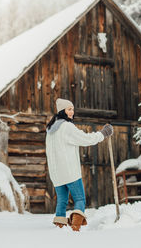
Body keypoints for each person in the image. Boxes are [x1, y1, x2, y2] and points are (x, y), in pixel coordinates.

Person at [46, 98, 113, 231]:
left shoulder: (50, 130)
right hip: (70, 172)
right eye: (69, 109)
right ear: (62, 111)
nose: (72, 112)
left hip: (56, 173)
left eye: (73, 109)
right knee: (80, 199)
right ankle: (75, 227)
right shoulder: (66, 127)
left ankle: (60, 226)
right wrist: (103, 133)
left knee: (62, 200)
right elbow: (86, 139)